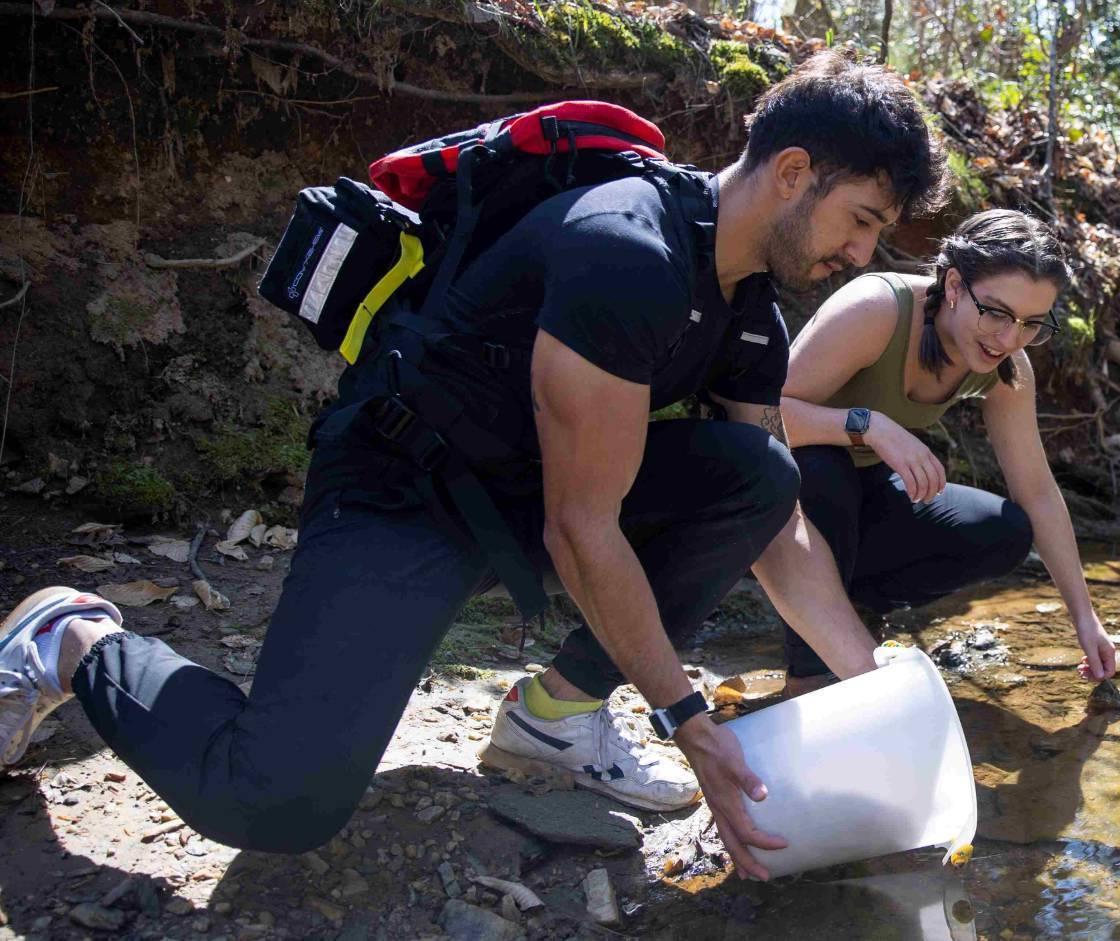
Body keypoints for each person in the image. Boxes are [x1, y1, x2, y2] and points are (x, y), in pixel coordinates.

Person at [0, 52, 940, 881]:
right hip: (406, 489)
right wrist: (688, 720)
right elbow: (583, 528)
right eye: (859, 221)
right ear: (790, 173)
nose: (858, 255)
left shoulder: (747, 314)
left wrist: (879, 699)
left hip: (533, 492)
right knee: (273, 800)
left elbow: (777, 521)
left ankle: (553, 718)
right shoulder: (629, 248)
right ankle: (71, 639)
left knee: (759, 474)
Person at [753, 209, 1116, 694]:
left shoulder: (1007, 366)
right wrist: (868, 425)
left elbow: (1038, 492)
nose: (1009, 338)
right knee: (824, 469)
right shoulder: (876, 309)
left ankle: (852, 609)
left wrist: (1085, 617)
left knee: (1002, 530)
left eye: (1031, 323)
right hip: (780, 500)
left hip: (865, 496)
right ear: (952, 285)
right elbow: (759, 417)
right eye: (996, 311)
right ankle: (811, 676)